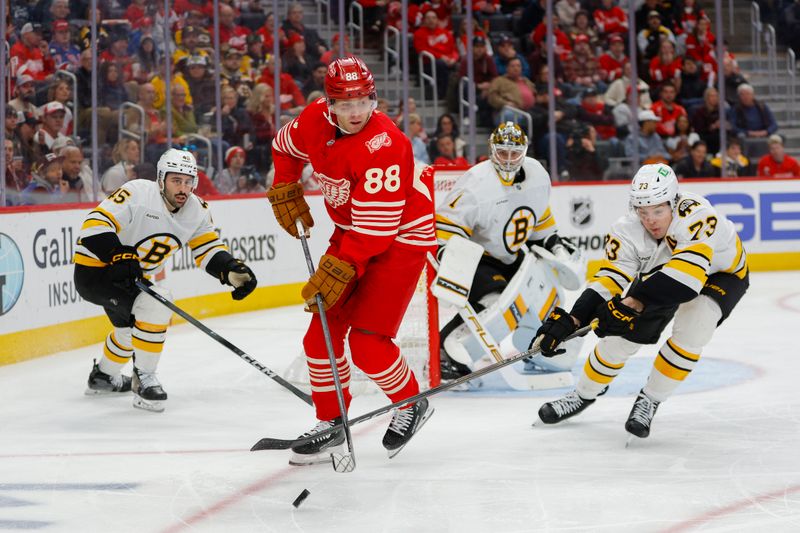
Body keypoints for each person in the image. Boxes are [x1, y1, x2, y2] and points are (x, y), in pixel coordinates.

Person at [265, 56, 436, 465]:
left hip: (400, 239)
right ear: (329, 104)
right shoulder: (311, 121)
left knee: (366, 344)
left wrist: (342, 267)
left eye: (364, 101)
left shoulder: (387, 144)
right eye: (346, 103)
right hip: (351, 233)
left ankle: (411, 402)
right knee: (319, 335)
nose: (357, 111)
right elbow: (282, 145)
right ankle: (332, 424)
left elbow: (377, 232)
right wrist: (287, 182)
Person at [533, 163, 748, 440]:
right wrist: (573, 319)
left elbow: (686, 282)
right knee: (620, 337)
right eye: (643, 212)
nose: (651, 220)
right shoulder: (626, 229)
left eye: (658, 210)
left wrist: (632, 303)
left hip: (721, 276)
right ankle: (583, 394)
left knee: (695, 327)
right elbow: (609, 279)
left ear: (673, 202)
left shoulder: (697, 214)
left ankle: (650, 399)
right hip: (666, 276)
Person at [74, 149, 257, 412]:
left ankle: (103, 377)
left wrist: (230, 270)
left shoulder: (198, 210)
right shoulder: (138, 192)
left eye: (188, 181)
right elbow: (94, 224)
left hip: (131, 277)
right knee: (157, 303)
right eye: (176, 180)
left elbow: (207, 249)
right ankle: (144, 379)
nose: (183, 188)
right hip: (96, 271)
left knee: (130, 330)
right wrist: (117, 254)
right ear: (161, 179)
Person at [435, 122, 581, 379]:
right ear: (492, 150)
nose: (509, 159)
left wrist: (553, 242)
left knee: (546, 299)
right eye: (503, 152)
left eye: (515, 153)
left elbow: (540, 221)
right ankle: (443, 351)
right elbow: (447, 228)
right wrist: (452, 262)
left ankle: (538, 350)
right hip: (479, 258)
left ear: (524, 152)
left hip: (513, 257)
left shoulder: (537, 174)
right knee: (497, 302)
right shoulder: (477, 181)